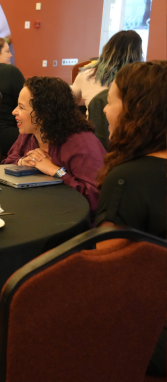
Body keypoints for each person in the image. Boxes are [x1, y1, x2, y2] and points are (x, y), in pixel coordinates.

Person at [95, 61, 166, 378]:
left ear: (136, 111)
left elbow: (110, 272)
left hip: (151, 338)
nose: (105, 111)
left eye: (110, 101)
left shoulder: (128, 178)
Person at [3, 76, 106, 217]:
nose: (14, 111)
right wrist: (23, 162)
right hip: (42, 208)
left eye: (21, 107)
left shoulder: (80, 143)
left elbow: (96, 198)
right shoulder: (30, 132)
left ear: (44, 114)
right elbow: (8, 162)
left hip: (74, 220)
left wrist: (55, 171)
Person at [72, 30, 143, 110]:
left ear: (106, 49)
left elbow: (69, 103)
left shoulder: (86, 74)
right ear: (138, 53)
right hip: (129, 122)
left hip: (92, 121)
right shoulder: (142, 78)